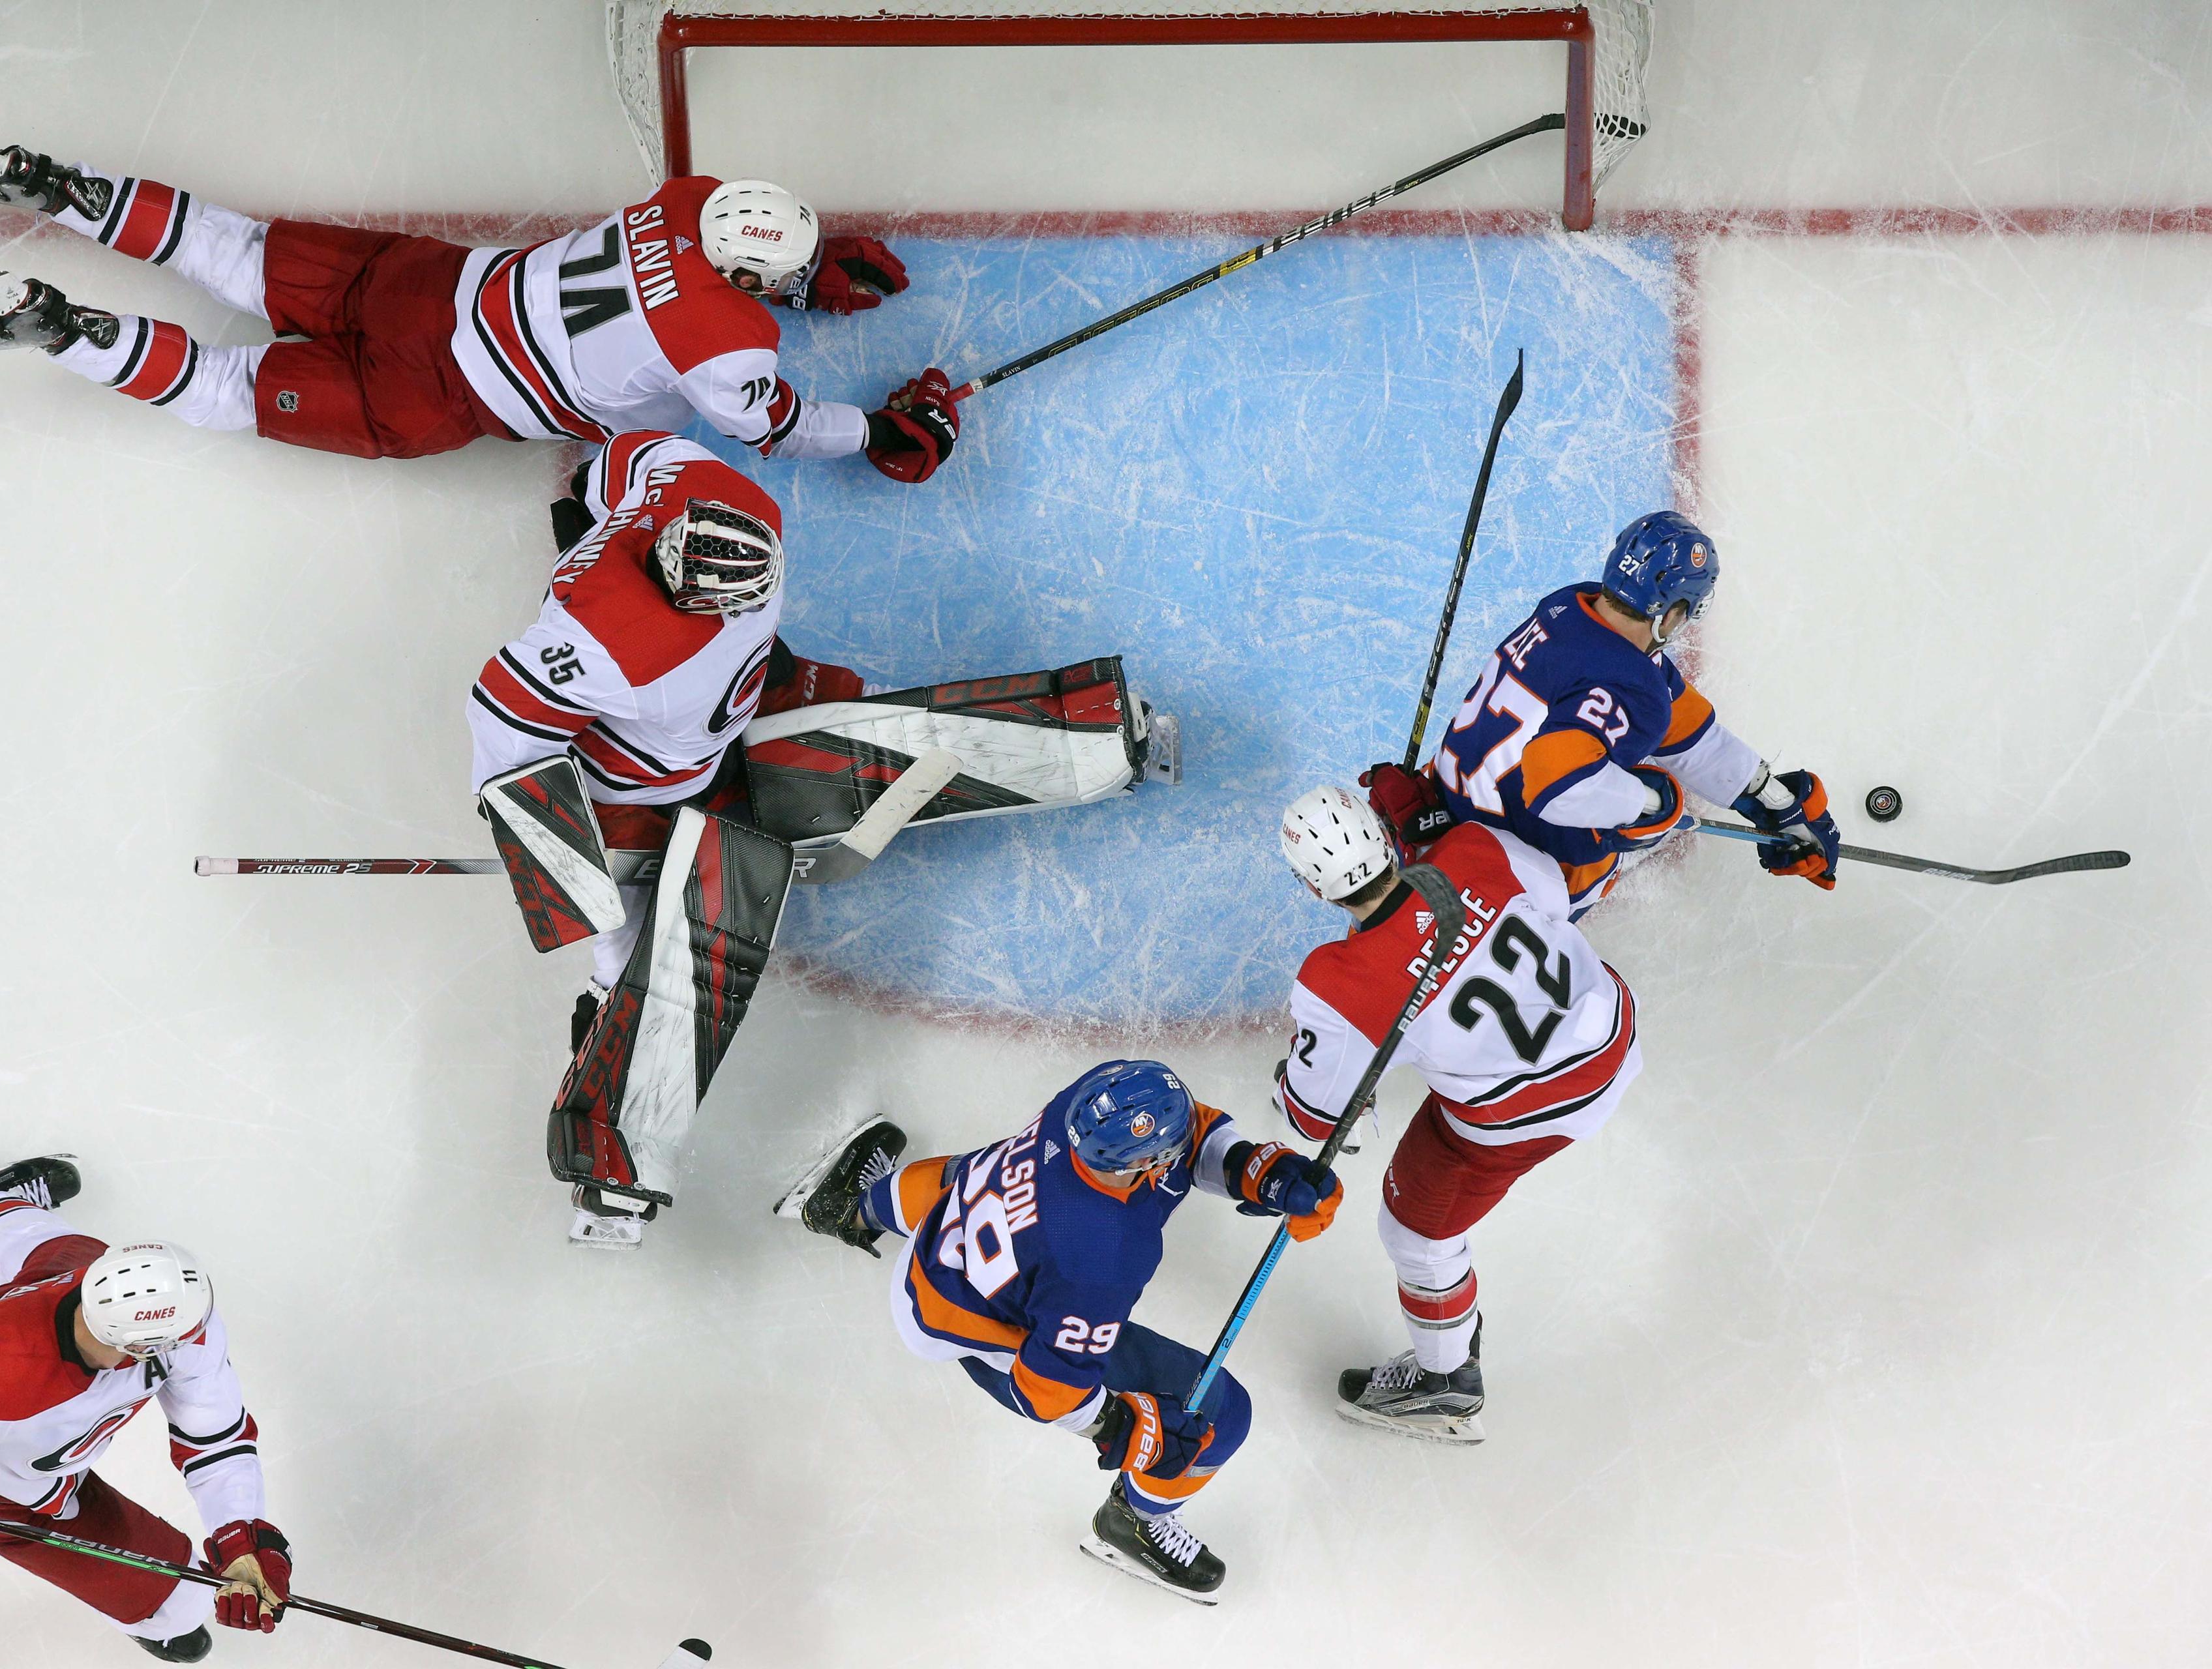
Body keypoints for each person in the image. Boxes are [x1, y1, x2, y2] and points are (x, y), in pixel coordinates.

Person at [469, 432, 1173, 1250]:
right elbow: (501, 716)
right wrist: (536, 821)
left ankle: (1094, 739)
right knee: (639, 939)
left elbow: (625, 458)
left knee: (873, 752)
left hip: (725, 724)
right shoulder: (614, 631)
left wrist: (594, 495)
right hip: (636, 788)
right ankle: (614, 1110)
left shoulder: (704, 489)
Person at [0, 145, 961, 481]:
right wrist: (878, 428)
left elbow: (722, 248)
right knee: (226, 390)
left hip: (429, 283)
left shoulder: (694, 197)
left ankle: (65, 186)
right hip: (437, 396)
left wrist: (806, 257)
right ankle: (60, 328)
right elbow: (772, 425)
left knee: (232, 250)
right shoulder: (730, 340)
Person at [786, 1061, 1342, 1602]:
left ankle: (852, 1207)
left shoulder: (1079, 1107)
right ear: (1143, 1165)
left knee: (972, 1175)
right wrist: (1131, 1430)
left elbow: (1189, 1130)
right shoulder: (1100, 1259)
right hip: (959, 1323)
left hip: (946, 1240)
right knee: (1222, 1416)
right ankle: (1135, 1524)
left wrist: (1256, 1169)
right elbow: (1048, 1392)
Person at [1274, 786, 1639, 1444]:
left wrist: (1298, 1079)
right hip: (1610, 1030)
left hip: (1525, 1116)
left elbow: (1316, 1118)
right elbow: (1559, 901)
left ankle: (1445, 1383)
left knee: (1416, 1232)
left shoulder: (1338, 981)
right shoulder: (1474, 846)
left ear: (1310, 888)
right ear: (1385, 835)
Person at [0, 1157, 288, 1662]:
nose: (195, 1345)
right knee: (181, 1603)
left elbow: (216, 1440)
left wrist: (241, 1534)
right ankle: (159, 1615)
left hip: (49, 1297)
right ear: (138, 1348)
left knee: (56, 1251)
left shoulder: (147, 1299)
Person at [1361, 511, 1840, 915]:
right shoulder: (1629, 687)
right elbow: (1559, 783)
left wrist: (1771, 799)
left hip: (1440, 823)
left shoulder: (1570, 607)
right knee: (1595, 849)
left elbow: (1690, 732)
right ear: (1670, 614)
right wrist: (1652, 806)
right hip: (1513, 888)